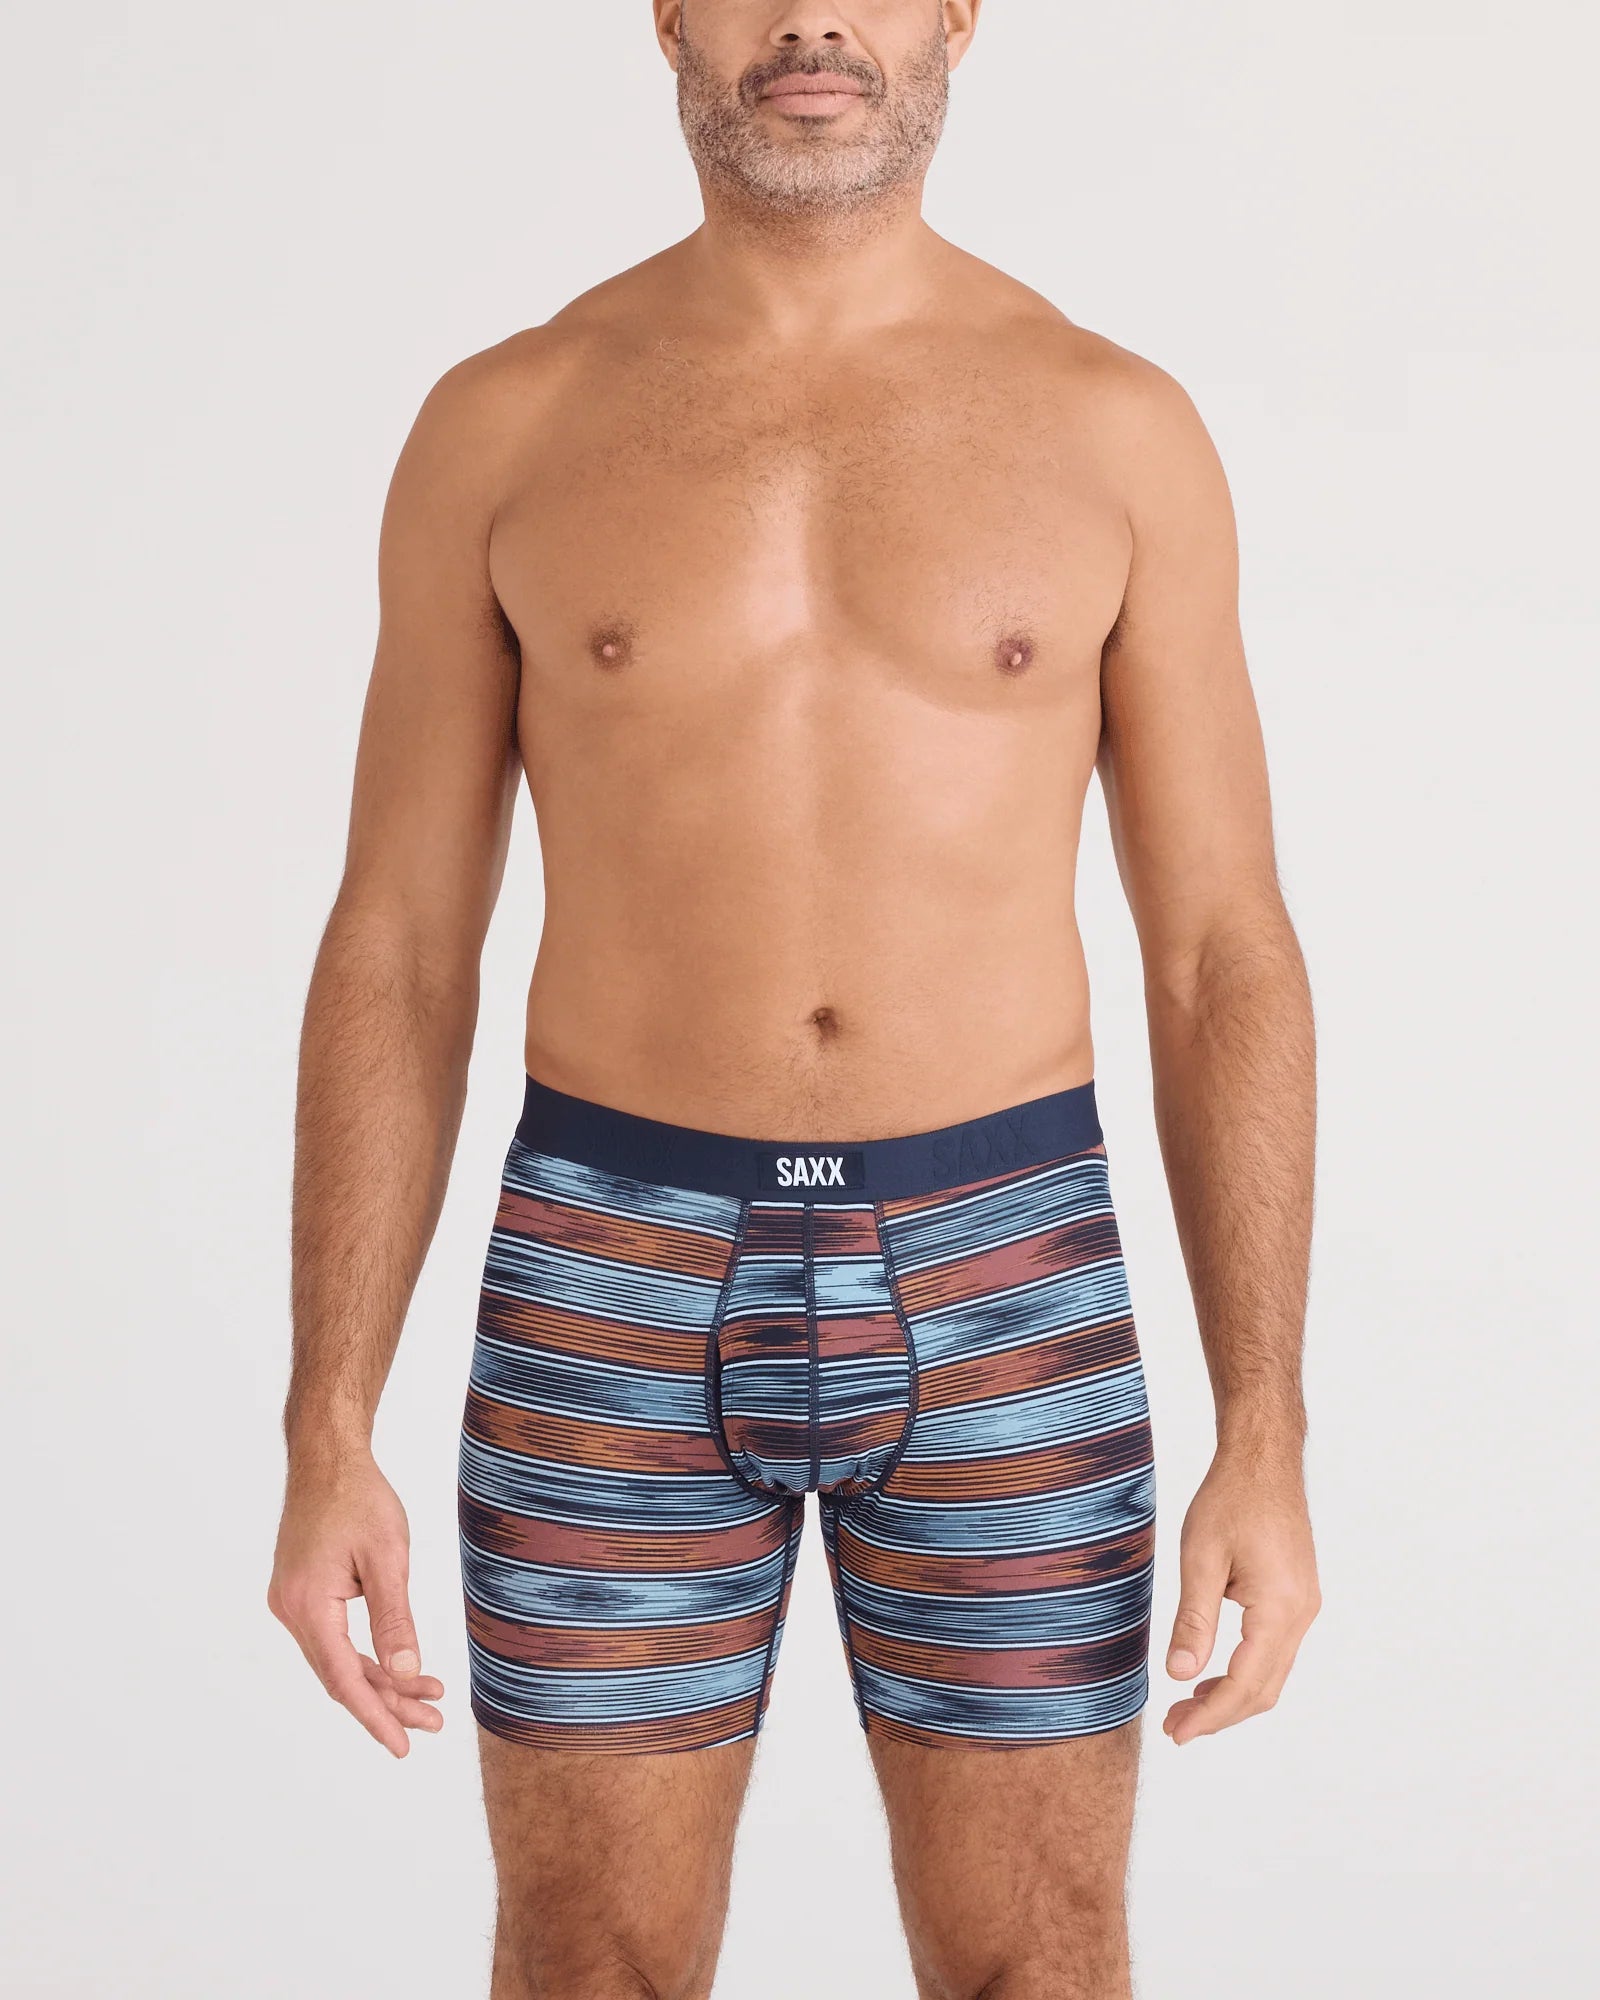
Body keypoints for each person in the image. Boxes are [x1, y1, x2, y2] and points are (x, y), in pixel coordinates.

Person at [268, 4, 1321, 1994]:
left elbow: (1218, 953)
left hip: (1004, 1262)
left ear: (957, 16)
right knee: (587, 1960)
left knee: (1040, 1958)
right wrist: (327, 1422)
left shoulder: (1112, 429)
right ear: (669, 14)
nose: (813, 21)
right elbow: (397, 943)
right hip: (610, 1262)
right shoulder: (509, 423)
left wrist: (1263, 1426)